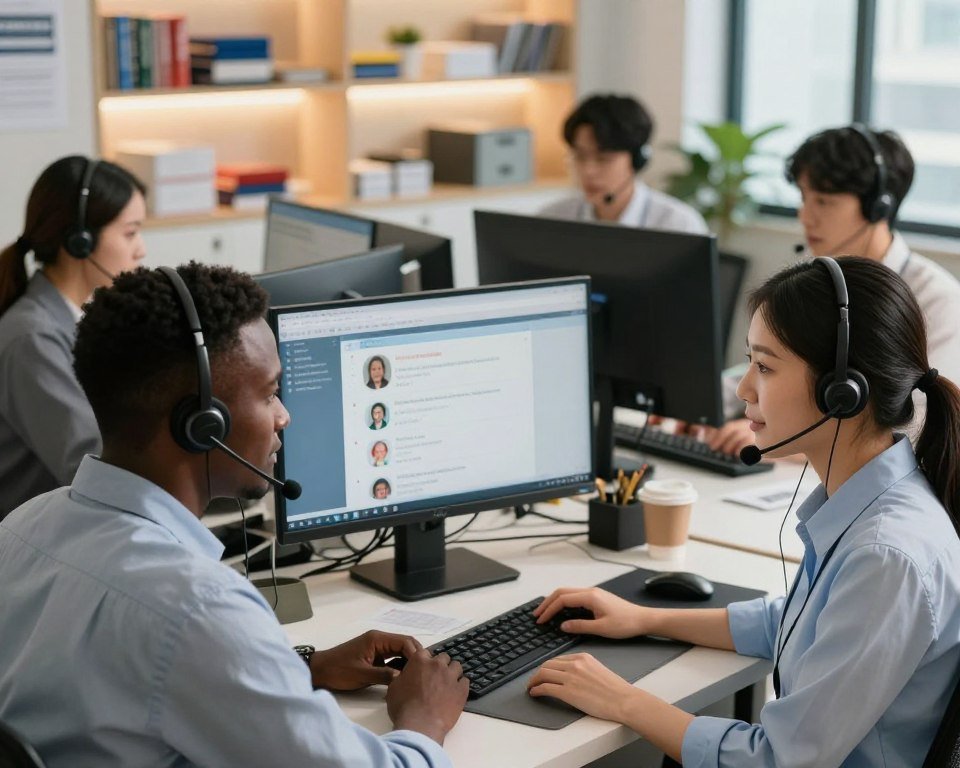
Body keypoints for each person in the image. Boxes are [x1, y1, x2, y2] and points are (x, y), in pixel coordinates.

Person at [0, 263, 467, 767]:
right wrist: (425, 719)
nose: (284, 414)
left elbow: (130, 681)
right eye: (268, 393)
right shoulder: (197, 606)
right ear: (202, 425)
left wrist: (298, 668)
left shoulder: (22, 528)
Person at [528, 256, 960, 765]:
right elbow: (799, 622)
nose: (743, 389)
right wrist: (645, 618)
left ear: (842, 392)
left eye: (765, 366)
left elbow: (776, 759)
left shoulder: (887, 555)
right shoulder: (867, 505)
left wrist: (621, 698)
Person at [707, 124, 960, 455]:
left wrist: (788, 436)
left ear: (877, 207)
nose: (805, 216)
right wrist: (701, 406)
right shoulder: (817, 282)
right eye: (803, 197)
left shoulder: (936, 299)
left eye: (823, 201)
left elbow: (920, 423)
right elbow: (772, 362)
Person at [0, 155, 147, 518]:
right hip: (39, 546)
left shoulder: (78, 319)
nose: (140, 249)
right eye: (130, 232)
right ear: (79, 242)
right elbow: (91, 467)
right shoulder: (33, 339)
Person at [539, 93, 707, 234]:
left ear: (637, 160)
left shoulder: (677, 224)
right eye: (580, 157)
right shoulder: (552, 219)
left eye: (603, 159)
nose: (588, 170)